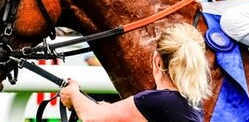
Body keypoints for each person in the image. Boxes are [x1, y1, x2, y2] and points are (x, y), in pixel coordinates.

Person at [60, 23, 211, 122]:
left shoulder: (155, 101)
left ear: (157, 61)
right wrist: (108, 109)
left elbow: (91, 117)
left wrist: (73, 93)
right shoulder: (192, 102)